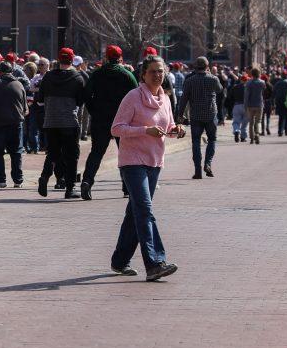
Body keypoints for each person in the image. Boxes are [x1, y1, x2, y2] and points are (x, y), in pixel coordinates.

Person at [109, 54, 183, 282]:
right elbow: (116, 128)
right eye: (153, 71)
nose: (158, 75)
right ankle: (155, 263)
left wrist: (176, 129)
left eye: (161, 71)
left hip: (154, 161)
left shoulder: (165, 99)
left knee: (135, 213)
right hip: (132, 162)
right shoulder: (133, 97)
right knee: (145, 210)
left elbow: (168, 125)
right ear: (143, 75)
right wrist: (144, 130)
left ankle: (120, 261)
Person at [79, 45, 137, 199]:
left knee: (96, 153)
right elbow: (136, 96)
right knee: (125, 153)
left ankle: (87, 181)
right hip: (122, 119)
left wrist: (94, 111)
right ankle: (127, 187)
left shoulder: (97, 74)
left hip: (100, 119)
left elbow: (86, 95)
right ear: (120, 58)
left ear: (106, 58)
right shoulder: (127, 74)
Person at [36, 48, 87, 200]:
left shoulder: (48, 76)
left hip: (51, 121)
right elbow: (80, 100)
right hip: (69, 122)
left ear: (59, 60)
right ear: (72, 60)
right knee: (72, 156)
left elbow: (39, 98)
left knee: (52, 153)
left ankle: (44, 177)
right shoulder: (77, 78)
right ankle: (70, 188)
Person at [175, 56, 223, 177]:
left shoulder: (190, 81)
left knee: (196, 141)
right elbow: (220, 89)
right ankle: (208, 163)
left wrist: (180, 115)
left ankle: (197, 170)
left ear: (195, 67)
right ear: (207, 67)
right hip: (211, 114)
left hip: (195, 115)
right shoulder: (213, 79)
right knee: (212, 139)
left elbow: (184, 99)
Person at [0, 60, 27, 188]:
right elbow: (25, 107)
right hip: (16, 122)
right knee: (16, 152)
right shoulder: (19, 84)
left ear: (0, 72)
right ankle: (18, 180)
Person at [244, 67, 266, 144]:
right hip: (259, 104)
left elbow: (246, 96)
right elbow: (264, 92)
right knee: (258, 121)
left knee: (251, 122)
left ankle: (252, 138)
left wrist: (245, 106)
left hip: (250, 105)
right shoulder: (262, 82)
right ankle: (257, 134)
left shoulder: (248, 83)